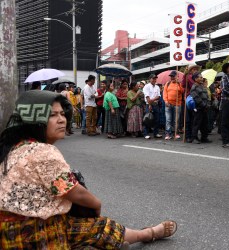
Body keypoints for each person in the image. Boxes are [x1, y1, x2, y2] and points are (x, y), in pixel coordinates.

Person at [0, 90, 177, 249]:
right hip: (35, 233)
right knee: (98, 225)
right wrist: (96, 207)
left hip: (8, 234)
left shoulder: (15, 148)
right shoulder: (43, 151)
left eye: (62, 113)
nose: (62, 119)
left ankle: (147, 234)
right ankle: (148, 233)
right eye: (52, 115)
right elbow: (76, 193)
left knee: (99, 228)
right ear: (34, 121)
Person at [182, 64, 201, 142]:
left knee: (194, 119)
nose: (195, 70)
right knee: (188, 119)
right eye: (193, 69)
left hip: (196, 99)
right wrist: (185, 75)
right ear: (190, 70)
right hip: (189, 99)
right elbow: (183, 85)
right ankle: (188, 136)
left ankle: (193, 136)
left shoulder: (198, 78)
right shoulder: (188, 76)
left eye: (196, 69)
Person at [190, 73, 211, 144]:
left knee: (204, 123)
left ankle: (204, 137)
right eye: (200, 77)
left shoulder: (202, 86)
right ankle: (194, 138)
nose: (202, 78)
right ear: (195, 79)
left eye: (202, 77)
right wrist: (204, 105)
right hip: (198, 108)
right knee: (196, 123)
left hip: (205, 108)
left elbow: (207, 96)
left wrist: (208, 104)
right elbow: (197, 98)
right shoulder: (194, 87)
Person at [163, 70, 184, 140]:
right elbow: (165, 93)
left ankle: (176, 133)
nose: (171, 77)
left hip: (177, 104)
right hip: (168, 104)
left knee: (176, 120)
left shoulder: (180, 83)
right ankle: (168, 133)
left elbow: (182, 91)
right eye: (171, 76)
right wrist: (165, 101)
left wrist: (179, 83)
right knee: (168, 119)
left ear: (176, 76)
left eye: (173, 76)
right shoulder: (167, 83)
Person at [143, 74, 162, 139]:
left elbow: (159, 96)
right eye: (153, 78)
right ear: (149, 79)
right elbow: (147, 97)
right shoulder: (146, 86)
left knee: (157, 119)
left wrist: (153, 100)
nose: (154, 80)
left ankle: (156, 133)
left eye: (155, 78)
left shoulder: (157, 87)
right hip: (149, 104)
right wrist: (150, 104)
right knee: (148, 119)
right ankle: (146, 134)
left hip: (155, 104)